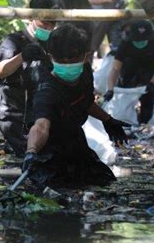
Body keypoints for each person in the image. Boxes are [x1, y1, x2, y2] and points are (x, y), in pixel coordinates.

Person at [22, 24, 128, 187]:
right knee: (53, 188)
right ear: (51, 57)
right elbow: (41, 126)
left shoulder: (85, 72)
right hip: (47, 147)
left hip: (74, 138)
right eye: (60, 60)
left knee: (104, 181)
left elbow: (84, 101)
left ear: (85, 57)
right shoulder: (47, 90)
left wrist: (108, 120)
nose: (67, 64)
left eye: (72, 59)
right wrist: (31, 152)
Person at [0, 0, 62, 156]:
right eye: (45, 22)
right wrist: (22, 56)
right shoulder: (14, 40)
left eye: (53, 23)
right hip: (15, 110)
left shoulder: (55, 43)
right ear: (30, 17)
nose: (49, 27)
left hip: (43, 110)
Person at [104, 20, 154, 124]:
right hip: (128, 74)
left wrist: (153, 82)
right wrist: (110, 89)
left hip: (149, 72)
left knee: (148, 106)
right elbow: (116, 69)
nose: (140, 42)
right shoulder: (125, 43)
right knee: (123, 109)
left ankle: (144, 124)